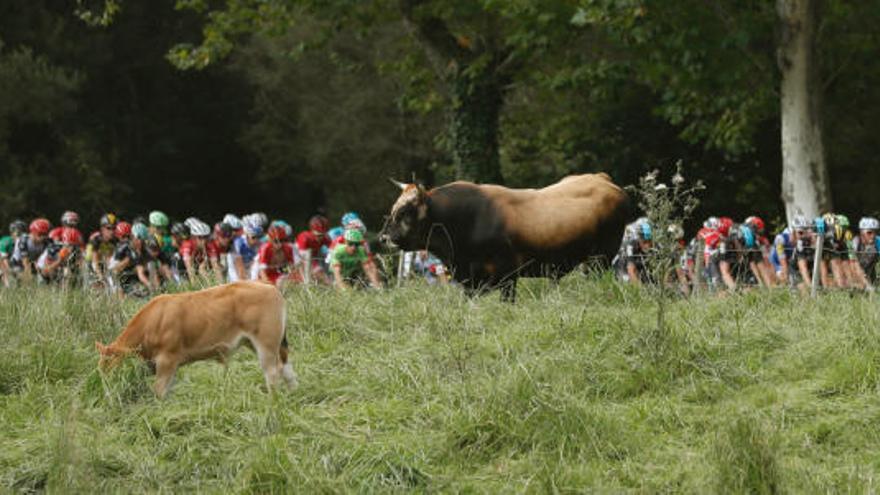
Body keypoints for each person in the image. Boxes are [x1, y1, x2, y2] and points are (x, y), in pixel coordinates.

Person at [109, 222, 159, 297]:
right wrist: (151, 287)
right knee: (123, 294)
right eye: (140, 240)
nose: (142, 243)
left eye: (143, 241)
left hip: (127, 274)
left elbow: (150, 273)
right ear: (134, 238)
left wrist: (157, 288)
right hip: (114, 274)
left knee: (143, 292)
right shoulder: (126, 248)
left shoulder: (142, 250)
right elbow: (113, 271)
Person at [180, 218, 222, 284]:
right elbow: (189, 268)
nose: (203, 240)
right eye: (200, 237)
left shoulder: (209, 244)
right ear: (193, 237)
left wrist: (221, 283)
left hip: (199, 263)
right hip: (184, 267)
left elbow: (215, 266)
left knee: (202, 269)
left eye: (205, 237)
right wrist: (194, 286)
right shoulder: (187, 245)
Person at [11, 218, 52, 284]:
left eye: (45, 234)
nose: (43, 237)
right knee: (25, 280)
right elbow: (25, 262)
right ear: (33, 233)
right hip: (18, 262)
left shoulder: (46, 242)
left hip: (33, 261)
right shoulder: (24, 240)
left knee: (44, 279)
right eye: (40, 234)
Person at [85, 213, 119, 289]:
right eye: (109, 228)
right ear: (102, 229)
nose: (112, 231)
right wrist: (102, 278)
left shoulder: (115, 241)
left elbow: (111, 260)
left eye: (114, 228)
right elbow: (95, 263)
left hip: (104, 264)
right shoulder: (96, 239)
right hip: (91, 264)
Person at [295, 215, 331, 284]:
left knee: (327, 255)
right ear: (312, 231)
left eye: (323, 235)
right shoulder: (304, 238)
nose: (320, 238)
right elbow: (300, 260)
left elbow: (333, 251)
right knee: (308, 254)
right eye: (318, 235)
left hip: (314, 257)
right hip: (300, 259)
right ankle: (307, 282)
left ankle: (330, 280)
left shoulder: (326, 238)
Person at [850, 216, 880, 291]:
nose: (873, 235)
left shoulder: (878, 241)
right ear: (861, 232)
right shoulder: (855, 243)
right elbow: (854, 265)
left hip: (870, 270)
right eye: (869, 232)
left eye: (875, 232)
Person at [1, 220, 27, 287]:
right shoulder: (5, 241)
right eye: (18, 233)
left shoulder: (25, 242)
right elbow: (3, 261)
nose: (21, 235)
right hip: (3, 263)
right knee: (11, 283)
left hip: (13, 264)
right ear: (12, 232)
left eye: (23, 233)